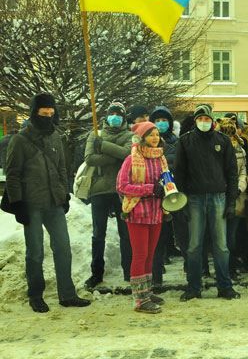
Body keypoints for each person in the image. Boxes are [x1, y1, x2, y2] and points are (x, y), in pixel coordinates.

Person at [4, 93, 91, 313]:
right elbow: (12, 175)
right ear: (35, 113)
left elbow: (62, 168)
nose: (48, 118)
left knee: (63, 248)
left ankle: (67, 294)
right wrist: (18, 204)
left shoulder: (56, 137)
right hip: (31, 205)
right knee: (35, 252)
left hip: (54, 203)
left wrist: (64, 196)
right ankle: (35, 295)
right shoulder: (20, 140)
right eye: (44, 114)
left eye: (52, 114)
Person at [174, 104, 240, 301]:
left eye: (207, 119)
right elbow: (180, 173)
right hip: (194, 198)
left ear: (212, 121)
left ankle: (225, 286)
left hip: (218, 197)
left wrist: (231, 202)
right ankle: (194, 287)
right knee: (194, 245)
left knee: (221, 246)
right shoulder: (185, 142)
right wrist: (182, 202)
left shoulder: (223, 141)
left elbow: (232, 173)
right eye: (200, 119)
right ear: (195, 121)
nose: (204, 122)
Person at [116, 122, 167, 313]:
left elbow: (165, 180)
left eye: (157, 134)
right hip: (137, 213)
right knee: (140, 255)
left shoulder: (160, 158)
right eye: (151, 135)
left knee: (150, 255)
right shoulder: (131, 159)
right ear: (142, 138)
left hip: (156, 213)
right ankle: (140, 300)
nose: (155, 138)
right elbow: (122, 186)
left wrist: (168, 187)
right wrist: (149, 189)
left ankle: (146, 291)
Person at [83, 101, 134, 288]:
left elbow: (129, 155)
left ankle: (129, 271)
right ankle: (96, 273)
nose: (115, 117)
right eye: (112, 113)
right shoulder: (94, 134)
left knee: (126, 234)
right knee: (98, 234)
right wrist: (117, 154)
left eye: (118, 114)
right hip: (99, 190)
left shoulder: (130, 135)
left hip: (122, 191)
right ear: (106, 116)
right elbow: (89, 159)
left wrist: (102, 146)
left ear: (123, 117)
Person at [149, 106, 180, 287]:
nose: (161, 123)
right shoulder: (149, 144)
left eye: (164, 120)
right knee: (157, 238)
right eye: (157, 120)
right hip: (156, 194)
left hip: (175, 191)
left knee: (181, 231)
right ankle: (156, 277)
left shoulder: (177, 142)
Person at [218, 118, 248, 280]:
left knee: (232, 236)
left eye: (231, 134)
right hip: (218, 195)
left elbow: (243, 171)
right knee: (219, 237)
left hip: (236, 196)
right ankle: (222, 269)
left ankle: (231, 268)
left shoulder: (240, 151)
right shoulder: (215, 151)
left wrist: (239, 188)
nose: (229, 138)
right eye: (226, 134)